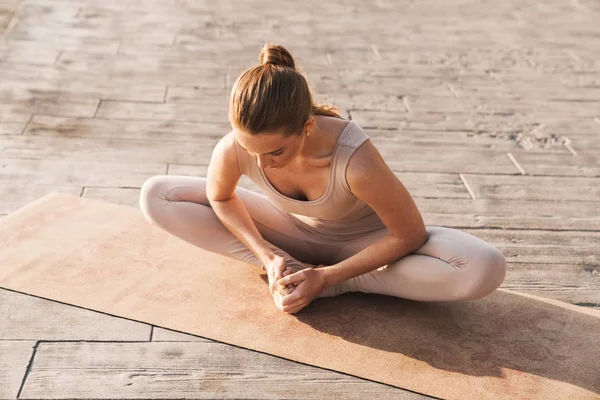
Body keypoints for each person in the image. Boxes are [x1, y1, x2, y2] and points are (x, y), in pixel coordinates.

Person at [139, 43, 506, 315]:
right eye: (250, 151)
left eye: (275, 152)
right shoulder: (234, 148)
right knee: (158, 194)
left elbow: (410, 234)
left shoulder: (354, 160)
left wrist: (331, 278)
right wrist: (267, 255)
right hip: (292, 232)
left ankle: (333, 283)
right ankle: (289, 269)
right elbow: (220, 197)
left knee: (485, 266)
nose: (261, 166)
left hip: (369, 246)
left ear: (307, 127)